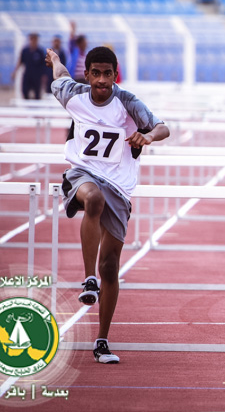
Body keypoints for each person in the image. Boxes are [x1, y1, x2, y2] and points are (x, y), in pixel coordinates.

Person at [45, 45, 170, 363]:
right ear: (86, 75)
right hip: (82, 173)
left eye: (108, 74)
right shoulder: (73, 93)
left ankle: (101, 341)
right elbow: (59, 76)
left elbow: (163, 126)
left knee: (111, 268)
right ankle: (89, 279)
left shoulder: (127, 102)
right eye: (96, 73)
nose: (101, 80)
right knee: (93, 200)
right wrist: (57, 61)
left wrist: (149, 137)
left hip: (119, 186)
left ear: (116, 75)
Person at [12, 33, 47, 99]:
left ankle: (37, 107)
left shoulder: (40, 51)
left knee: (37, 95)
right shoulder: (25, 50)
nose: (33, 41)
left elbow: (44, 65)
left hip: (37, 76)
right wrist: (15, 72)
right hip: (27, 75)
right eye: (32, 39)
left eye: (35, 39)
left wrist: (44, 76)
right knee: (24, 92)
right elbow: (20, 61)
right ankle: (27, 107)